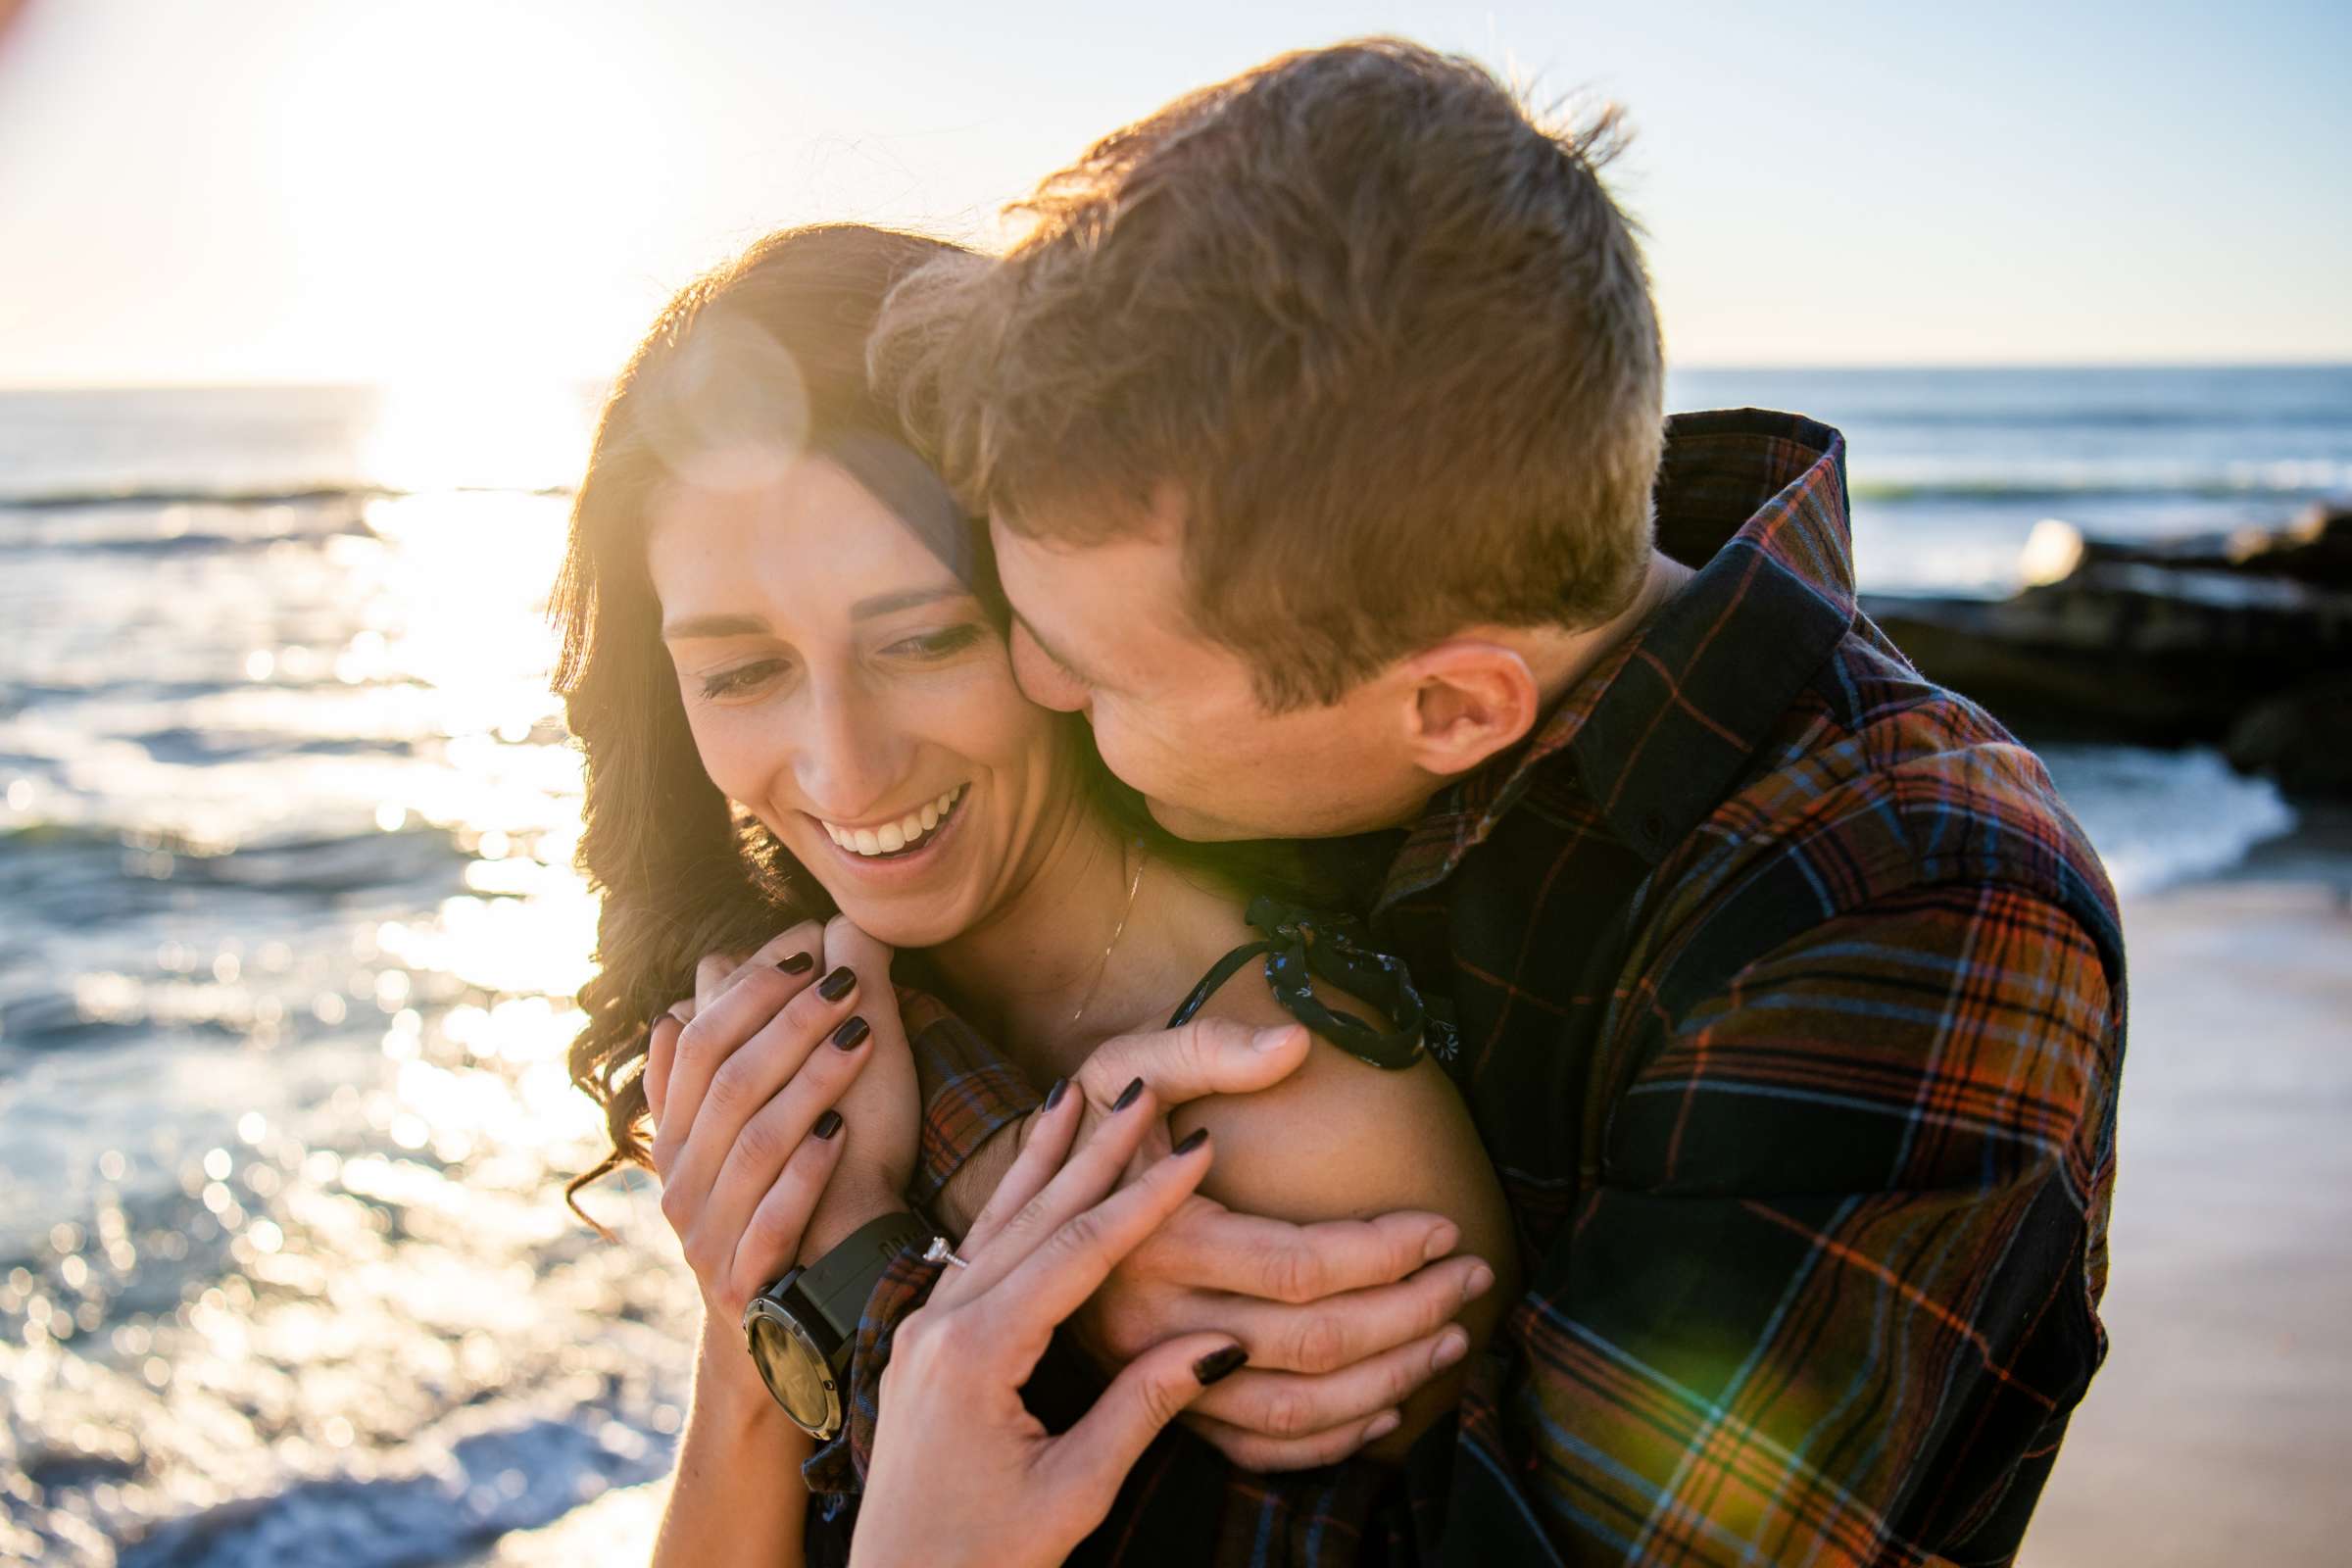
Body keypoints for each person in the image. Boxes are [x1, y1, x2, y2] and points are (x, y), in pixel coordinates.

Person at [838, 36, 2130, 1566]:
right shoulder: (1312, 682)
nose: (1035, 701)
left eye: (1098, 680)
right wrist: (1052, 1223)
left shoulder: (1917, 908)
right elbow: (766, 901)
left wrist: (902, 1288)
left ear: (1452, 708)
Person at [550, 222, 1517, 1564]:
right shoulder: (811, 1019)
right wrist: (761, 1322)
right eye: (740, 673)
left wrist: (894, 1264)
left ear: (1062, 606)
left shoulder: (1296, 1132)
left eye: (927, 639)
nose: (843, 764)